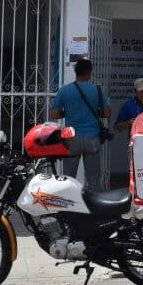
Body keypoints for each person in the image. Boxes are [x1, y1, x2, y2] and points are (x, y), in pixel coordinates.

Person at [50, 58, 110, 188]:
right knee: (93, 178)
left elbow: (54, 114)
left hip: (71, 138)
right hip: (92, 138)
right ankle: (94, 206)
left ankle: (68, 204)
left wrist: (67, 113)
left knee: (68, 177)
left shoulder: (64, 90)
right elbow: (106, 113)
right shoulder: (96, 90)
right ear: (89, 72)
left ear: (76, 72)